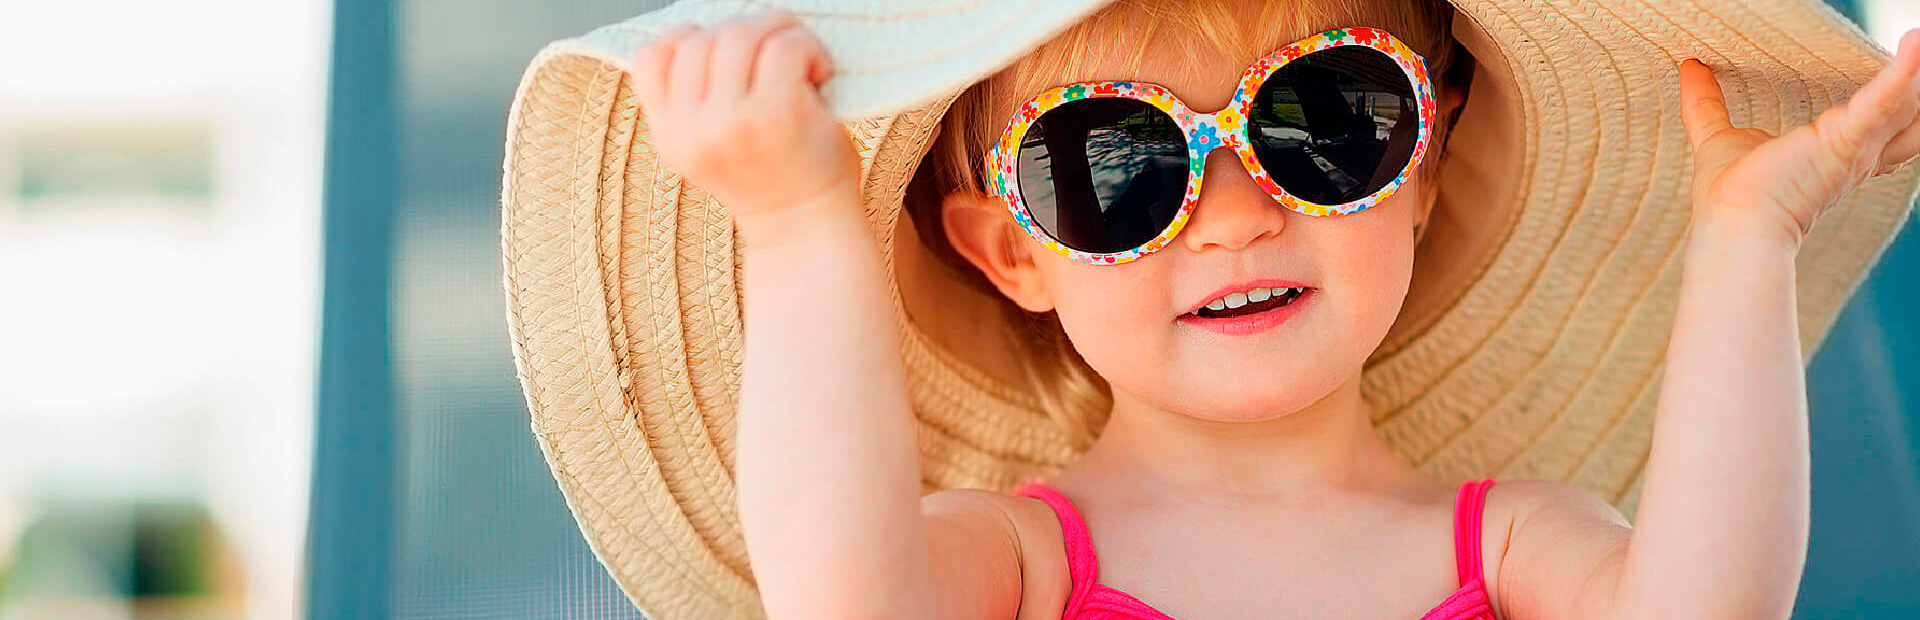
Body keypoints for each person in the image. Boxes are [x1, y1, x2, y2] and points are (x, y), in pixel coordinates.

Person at [497, 0, 1920, 618]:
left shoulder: (1516, 543)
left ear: (1423, 169)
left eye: (1323, 123)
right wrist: (801, 222)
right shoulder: (1014, 563)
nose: (1239, 208)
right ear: (1013, 252)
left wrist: (1746, 235)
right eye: (1111, 162)